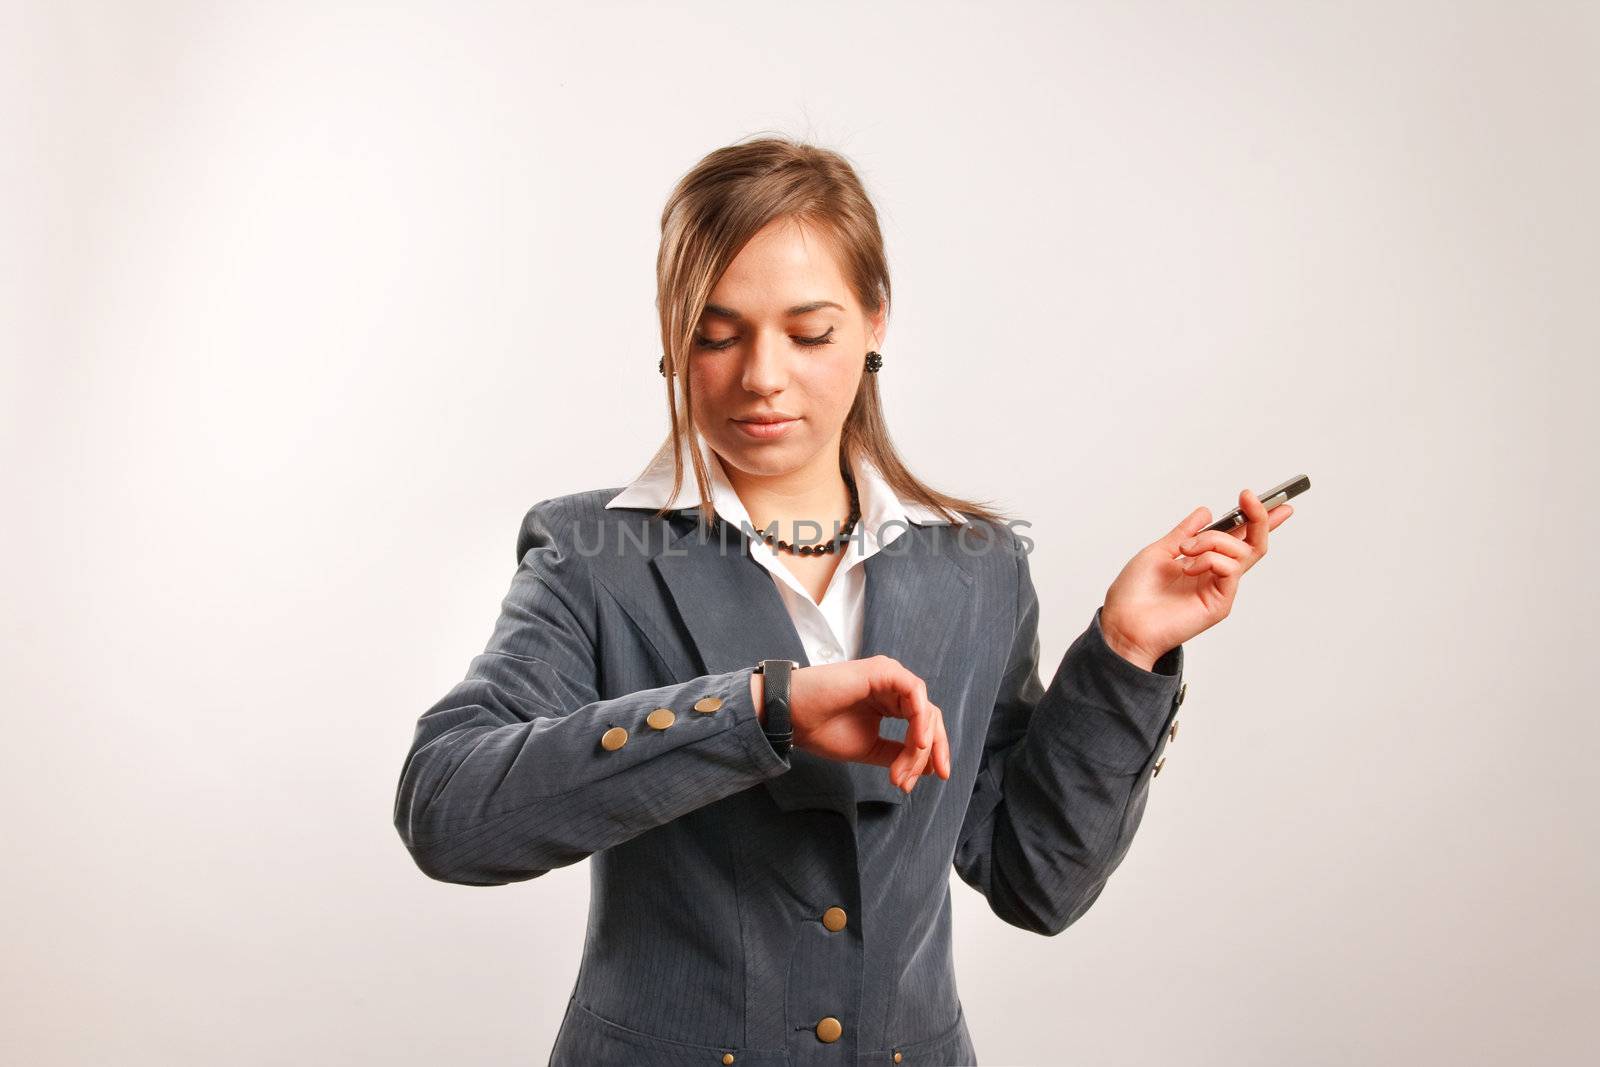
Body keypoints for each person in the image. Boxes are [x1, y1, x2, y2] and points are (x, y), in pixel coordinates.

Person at [392, 136, 1293, 1067]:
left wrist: (1125, 649)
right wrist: (759, 709)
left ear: (874, 323)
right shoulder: (591, 554)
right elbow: (449, 809)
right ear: (671, 340)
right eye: (715, 331)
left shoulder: (977, 566)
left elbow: (1037, 879)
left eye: (810, 332)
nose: (762, 377)